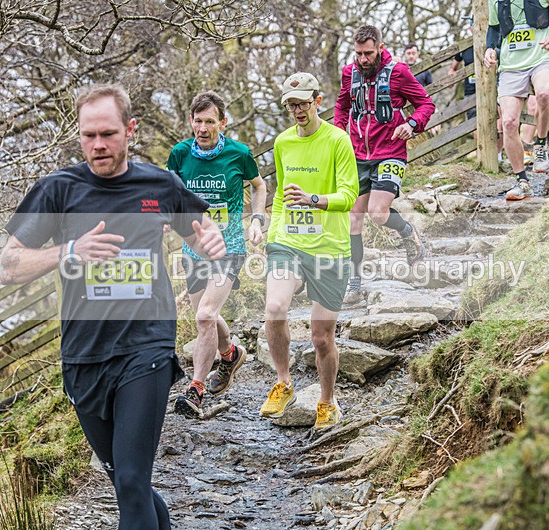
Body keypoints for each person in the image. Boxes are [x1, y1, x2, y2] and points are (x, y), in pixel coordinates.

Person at [0, 83, 225, 530]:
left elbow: (199, 229)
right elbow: (8, 265)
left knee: (134, 478)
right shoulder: (57, 190)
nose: (98, 145)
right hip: (84, 354)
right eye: (88, 135)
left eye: (107, 133)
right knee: (125, 483)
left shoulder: (159, 183)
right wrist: (68, 251)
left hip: (147, 346)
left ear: (130, 130)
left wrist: (209, 238)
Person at [260, 72, 358, 429]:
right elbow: (282, 195)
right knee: (274, 307)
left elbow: (348, 196)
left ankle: (327, 401)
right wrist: (274, 237)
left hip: (330, 247)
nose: (297, 110)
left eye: (303, 103)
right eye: (291, 104)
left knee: (320, 338)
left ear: (318, 100)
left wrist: (316, 200)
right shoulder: (283, 143)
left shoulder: (338, 141)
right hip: (289, 241)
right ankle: (284, 382)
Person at [168, 90, 266, 418]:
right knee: (206, 319)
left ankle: (195, 389)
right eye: (198, 121)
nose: (203, 127)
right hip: (193, 250)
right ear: (191, 122)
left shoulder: (239, 153)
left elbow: (259, 185)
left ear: (222, 123)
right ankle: (230, 354)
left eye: (210, 121)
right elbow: (171, 193)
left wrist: (257, 220)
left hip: (230, 248)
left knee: (205, 316)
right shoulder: (180, 155)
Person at [335, 25, 436, 307]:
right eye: (358, 54)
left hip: (390, 151)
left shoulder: (398, 72)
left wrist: (412, 124)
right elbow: (342, 107)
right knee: (353, 219)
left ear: (380, 47)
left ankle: (408, 232)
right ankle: (354, 284)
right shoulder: (349, 73)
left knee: (377, 213)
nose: (363, 59)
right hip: (356, 154)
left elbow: (425, 104)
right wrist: (340, 130)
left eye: (368, 53)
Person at [484, 0, 549, 200]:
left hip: (542, 57)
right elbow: (493, 28)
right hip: (511, 65)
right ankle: (522, 182)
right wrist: (489, 48)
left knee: (543, 94)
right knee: (508, 123)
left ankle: (540, 145)